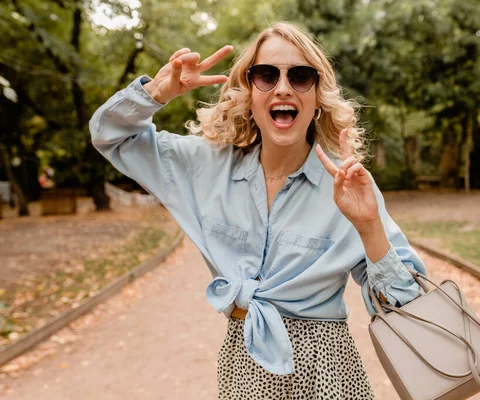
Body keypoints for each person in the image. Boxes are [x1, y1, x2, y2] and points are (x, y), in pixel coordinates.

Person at [90, 21, 426, 400]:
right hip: (242, 365)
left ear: (317, 97)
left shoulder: (348, 185)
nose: (283, 87)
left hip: (328, 372)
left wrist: (369, 228)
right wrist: (156, 92)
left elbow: (405, 306)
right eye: (266, 75)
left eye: (300, 76)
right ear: (249, 92)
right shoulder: (206, 166)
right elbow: (110, 136)